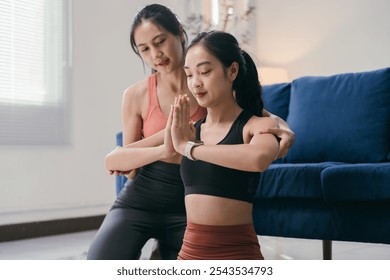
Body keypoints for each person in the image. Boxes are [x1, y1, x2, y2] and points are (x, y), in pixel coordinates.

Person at [87, 4, 294, 260]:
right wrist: (168, 146)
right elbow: (125, 165)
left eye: (160, 41)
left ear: (180, 33)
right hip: (142, 199)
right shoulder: (137, 95)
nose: (156, 54)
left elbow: (255, 114)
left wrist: (282, 127)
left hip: (187, 203)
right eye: (145, 49)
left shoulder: (210, 89)